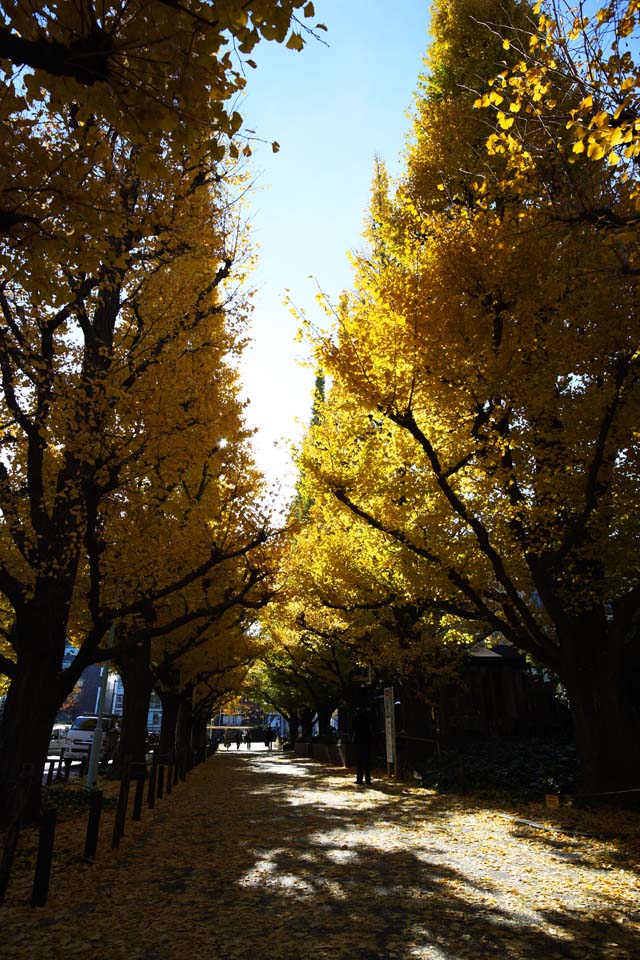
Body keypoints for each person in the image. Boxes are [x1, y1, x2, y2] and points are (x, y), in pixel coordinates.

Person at [352, 706, 373, 786]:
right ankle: (368, 779)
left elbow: (353, 728)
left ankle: (359, 779)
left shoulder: (355, 717)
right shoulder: (368, 717)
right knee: (367, 760)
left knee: (359, 761)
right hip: (367, 740)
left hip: (358, 740)